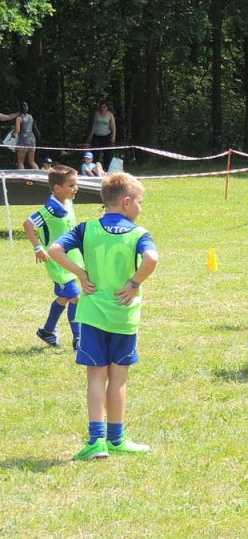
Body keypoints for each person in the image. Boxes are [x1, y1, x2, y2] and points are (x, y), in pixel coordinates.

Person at [48, 173, 159, 460]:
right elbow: (152, 259)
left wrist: (80, 273)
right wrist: (134, 284)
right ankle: (117, 439)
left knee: (95, 378)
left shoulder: (86, 229)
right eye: (140, 202)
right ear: (126, 202)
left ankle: (96, 442)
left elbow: (55, 249)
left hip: (92, 315)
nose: (141, 208)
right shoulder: (139, 234)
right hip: (124, 318)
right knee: (118, 379)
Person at [22, 165, 84, 350]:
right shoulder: (50, 209)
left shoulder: (68, 203)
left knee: (64, 298)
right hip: (57, 262)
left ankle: (47, 331)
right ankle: (79, 341)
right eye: (72, 185)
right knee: (75, 298)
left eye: (76, 184)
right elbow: (28, 224)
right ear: (57, 188)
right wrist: (38, 248)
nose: (76, 188)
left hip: (71, 259)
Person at [86, 101, 116, 169]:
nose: (103, 108)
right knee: (95, 152)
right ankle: (95, 168)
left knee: (108, 153)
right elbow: (94, 125)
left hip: (106, 135)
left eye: (104, 107)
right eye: (101, 107)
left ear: (107, 107)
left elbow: (113, 126)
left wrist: (113, 135)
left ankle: (106, 168)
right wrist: (91, 134)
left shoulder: (110, 115)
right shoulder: (96, 114)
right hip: (97, 136)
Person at [14, 102, 40, 169]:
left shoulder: (19, 118)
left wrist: (14, 130)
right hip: (32, 139)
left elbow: (17, 131)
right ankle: (39, 175)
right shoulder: (31, 117)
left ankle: (22, 178)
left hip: (23, 140)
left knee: (20, 162)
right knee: (32, 161)